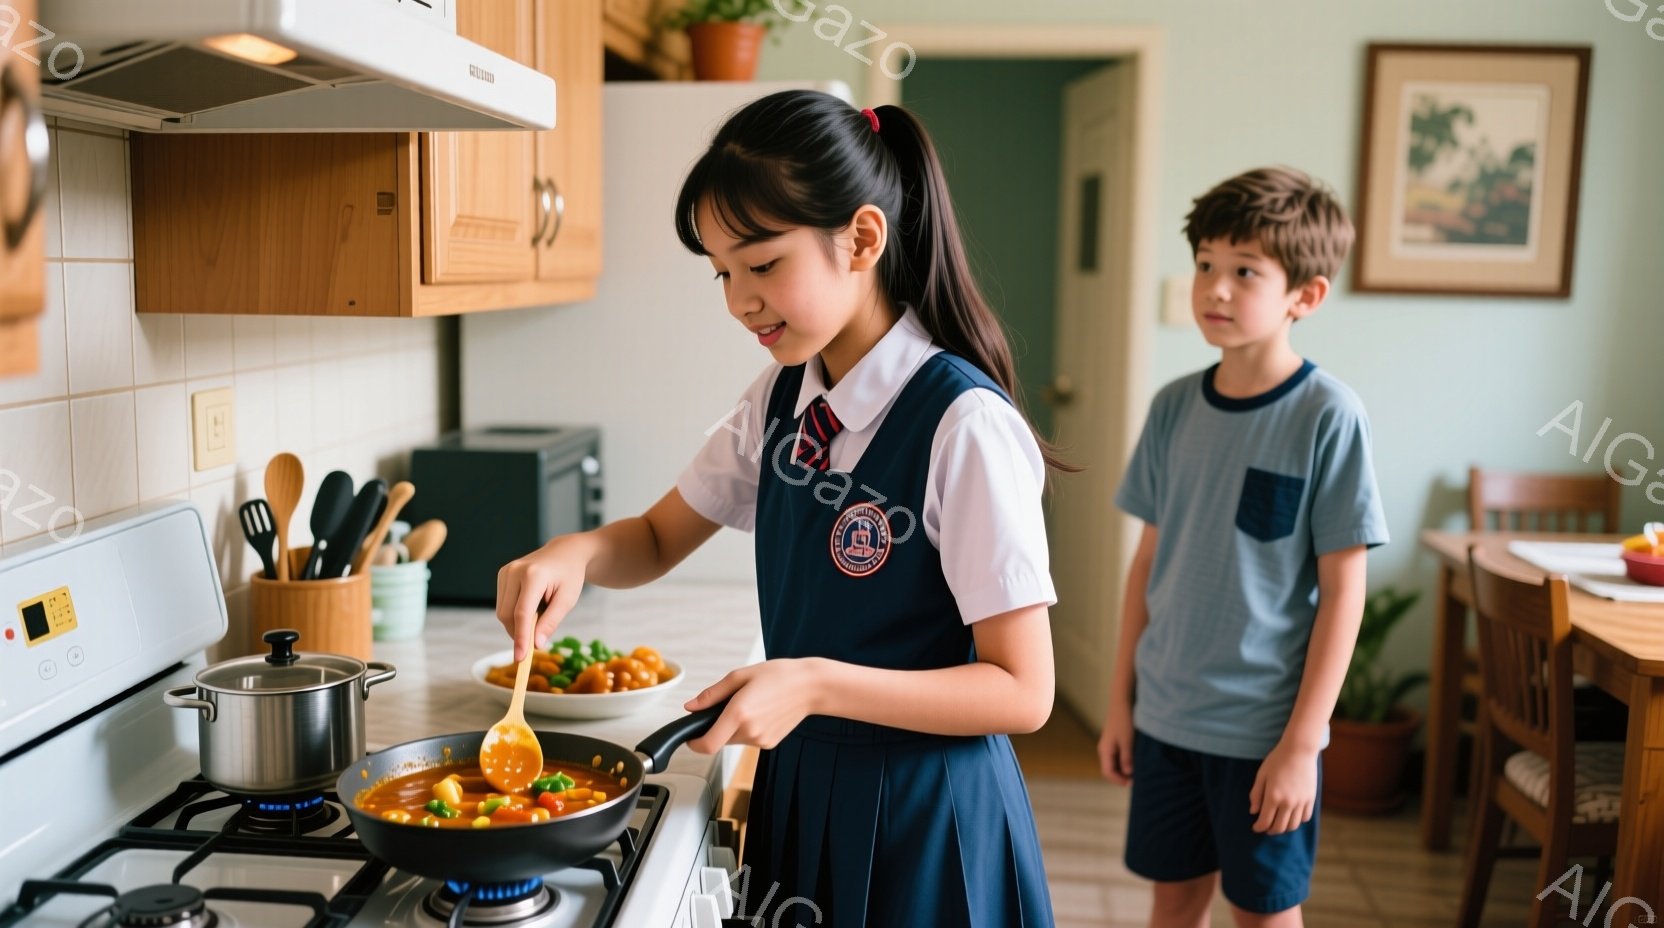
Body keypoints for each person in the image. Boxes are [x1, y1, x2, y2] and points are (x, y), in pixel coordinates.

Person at [497, 90, 1061, 926]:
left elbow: (1022, 690)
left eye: (762, 265)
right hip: (804, 790)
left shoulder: (962, 423)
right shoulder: (781, 399)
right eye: (723, 273)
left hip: (927, 817)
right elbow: (655, 538)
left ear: (862, 239)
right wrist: (574, 551)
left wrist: (813, 684)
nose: (738, 300)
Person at [1096, 166, 1389, 927]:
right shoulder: (1171, 409)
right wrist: (1121, 702)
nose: (1215, 289)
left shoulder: (1328, 415)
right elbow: (1146, 565)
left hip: (1264, 732)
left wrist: (1303, 742)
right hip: (1166, 717)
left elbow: (1344, 594)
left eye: (1244, 272)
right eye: (1204, 266)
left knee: (1263, 913)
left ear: (1306, 295)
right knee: (1174, 903)